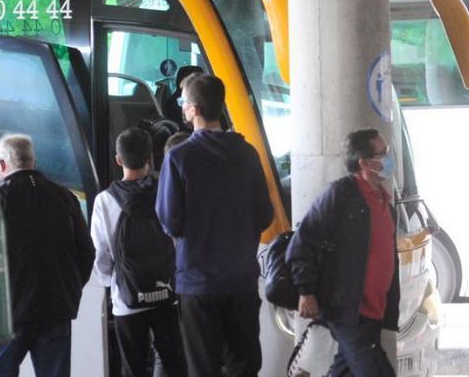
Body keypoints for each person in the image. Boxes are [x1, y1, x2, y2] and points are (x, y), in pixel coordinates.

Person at [156, 74, 274, 377]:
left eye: (184, 103)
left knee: (203, 369)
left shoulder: (179, 157)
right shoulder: (248, 154)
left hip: (198, 283)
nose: (182, 109)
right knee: (244, 367)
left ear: (193, 109)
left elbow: (170, 221)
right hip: (241, 282)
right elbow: (264, 215)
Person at [287, 129, 401, 377]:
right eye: (383, 154)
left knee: (344, 370)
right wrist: (306, 290)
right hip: (348, 311)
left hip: (374, 312)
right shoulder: (341, 195)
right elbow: (303, 241)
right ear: (365, 162)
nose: (389, 159)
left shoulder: (384, 202)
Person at [0, 134, 95, 377]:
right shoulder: (65, 197)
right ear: (32, 161)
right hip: (56, 308)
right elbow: (87, 254)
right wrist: (70, 288)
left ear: (3, 165)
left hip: (9, 313)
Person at [91, 128, 188, 377]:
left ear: (118, 160)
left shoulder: (104, 200)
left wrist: (112, 282)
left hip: (127, 298)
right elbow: (179, 236)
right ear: (150, 158)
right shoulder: (166, 190)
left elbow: (100, 255)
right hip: (168, 292)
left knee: (132, 367)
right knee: (175, 362)